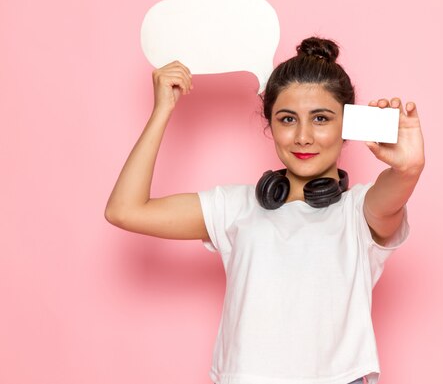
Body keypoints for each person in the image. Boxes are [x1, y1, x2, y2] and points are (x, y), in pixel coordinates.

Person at [105, 36, 425, 384]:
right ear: (269, 125)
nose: (303, 136)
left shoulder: (359, 211)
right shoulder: (234, 207)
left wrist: (408, 168)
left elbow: (394, 189)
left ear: (345, 126)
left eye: (321, 118)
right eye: (287, 119)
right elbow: (125, 210)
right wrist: (162, 110)